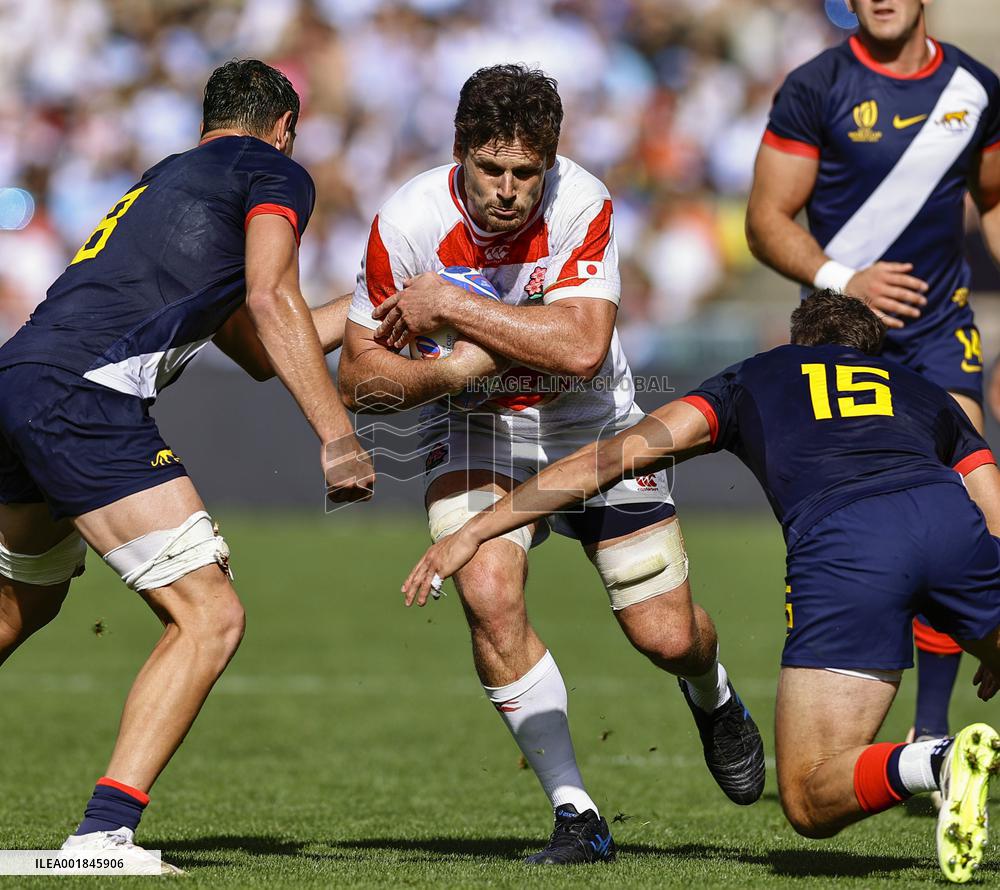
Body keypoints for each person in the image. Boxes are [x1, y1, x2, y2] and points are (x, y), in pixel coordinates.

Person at [404, 290, 1000, 884]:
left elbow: (606, 461)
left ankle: (938, 761)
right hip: (955, 529)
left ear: (796, 344)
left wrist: (477, 529)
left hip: (850, 547)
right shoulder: (928, 393)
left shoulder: (756, 376)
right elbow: (990, 504)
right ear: (875, 353)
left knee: (809, 794)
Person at [340, 63, 765, 865]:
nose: (507, 190)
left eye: (525, 172)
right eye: (490, 169)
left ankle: (713, 697)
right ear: (459, 152)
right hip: (478, 432)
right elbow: (359, 379)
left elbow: (579, 348)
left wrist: (454, 305)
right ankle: (577, 814)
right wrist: (448, 372)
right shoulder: (406, 221)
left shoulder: (583, 201)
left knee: (667, 636)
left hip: (592, 429)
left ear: (551, 163)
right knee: (489, 591)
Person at [0, 59, 372, 872]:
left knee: (17, 609)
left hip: (20, 378)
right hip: (86, 395)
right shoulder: (273, 170)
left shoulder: (170, 180)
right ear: (283, 126)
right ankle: (103, 833)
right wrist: (338, 435)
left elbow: (254, 346)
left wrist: (379, 308)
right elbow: (273, 303)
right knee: (212, 615)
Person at [745, 0, 1000, 761]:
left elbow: (992, 196)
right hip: (842, 341)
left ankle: (930, 728)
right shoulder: (815, 87)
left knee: (966, 508)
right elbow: (765, 219)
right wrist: (841, 276)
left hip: (938, 335)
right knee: (877, 521)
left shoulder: (975, 89)